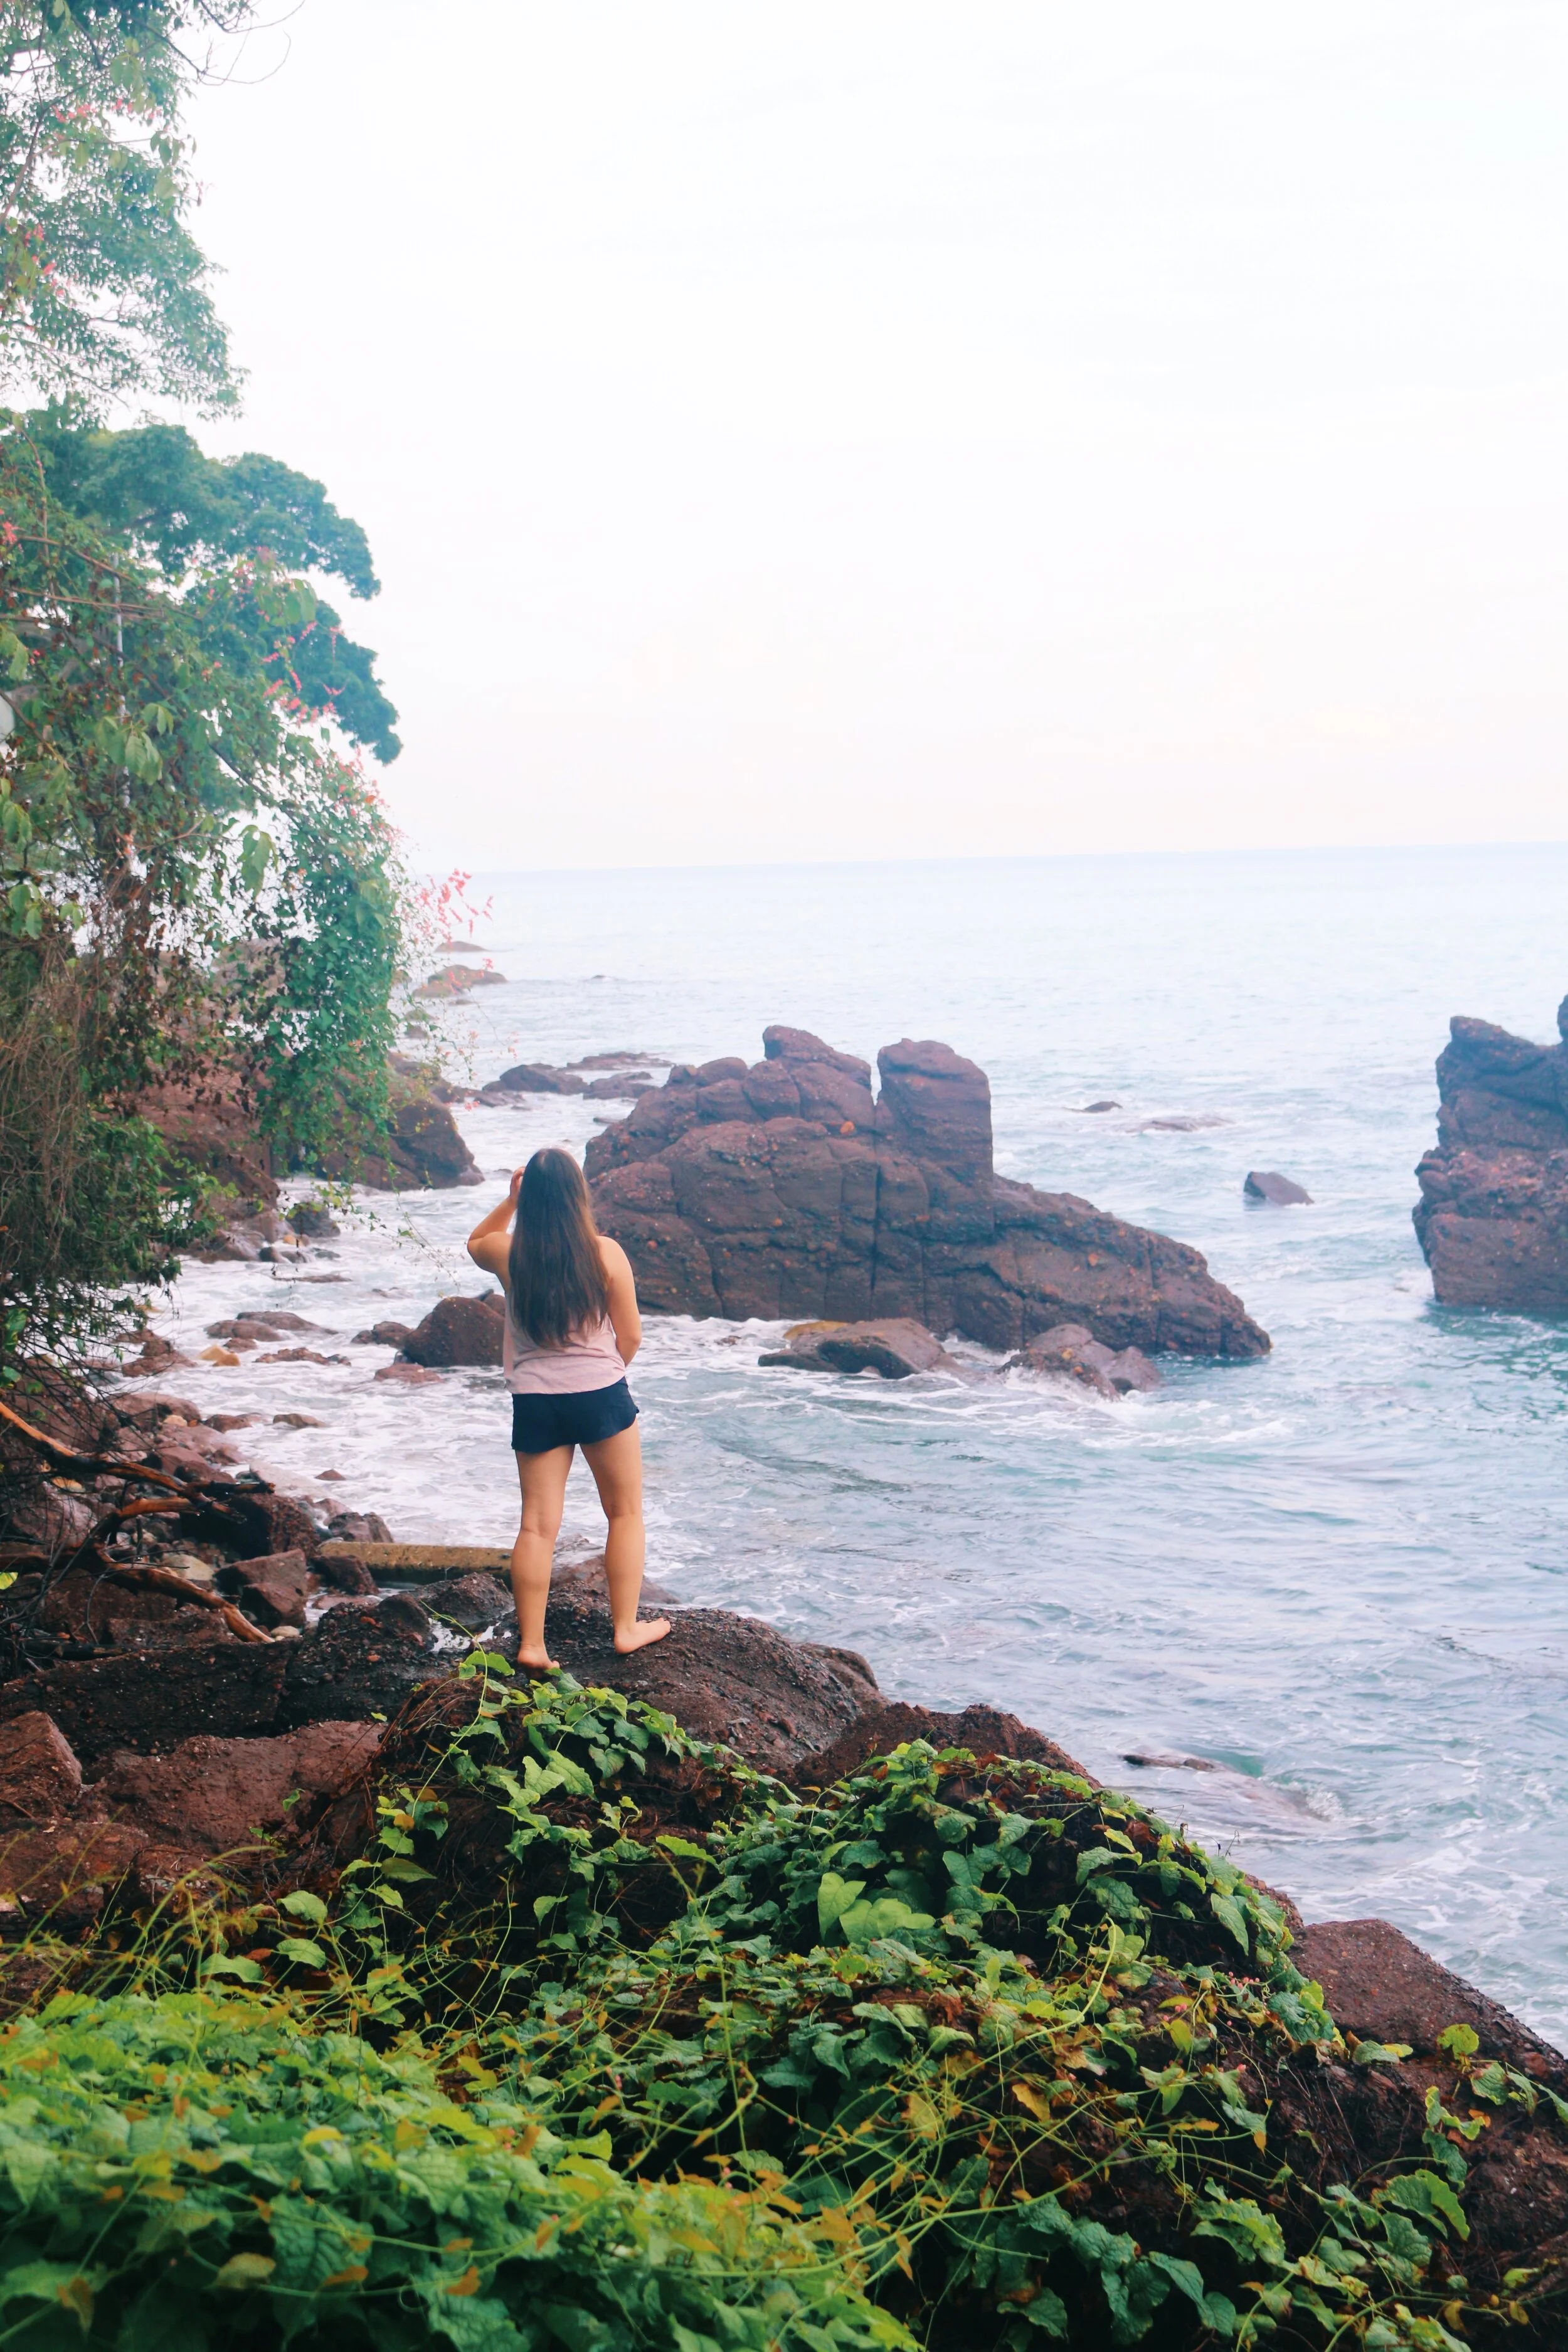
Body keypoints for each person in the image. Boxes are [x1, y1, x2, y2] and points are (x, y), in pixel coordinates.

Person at [467, 1147, 670, 1670]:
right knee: (624, 1513)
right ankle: (625, 1629)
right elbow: (632, 1335)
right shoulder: (605, 1254)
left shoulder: (509, 1254)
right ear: (580, 1197)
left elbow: (473, 1242)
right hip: (601, 1394)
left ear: (530, 1197)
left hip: (537, 1400)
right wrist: (604, 1373)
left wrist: (509, 1203)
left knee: (537, 1527)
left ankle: (533, 1645)